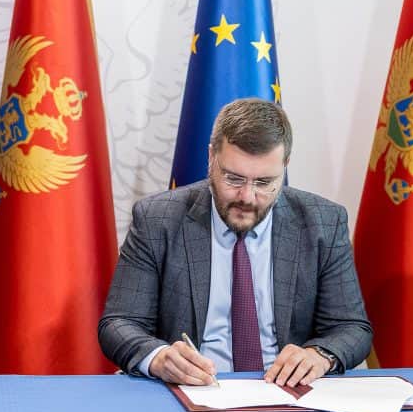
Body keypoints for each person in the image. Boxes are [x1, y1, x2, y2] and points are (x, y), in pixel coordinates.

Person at [99, 98, 372, 388]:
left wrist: (319, 355)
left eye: (264, 182)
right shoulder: (158, 219)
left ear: (285, 166)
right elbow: (119, 323)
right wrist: (158, 357)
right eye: (234, 179)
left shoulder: (323, 222)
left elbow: (351, 327)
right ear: (211, 158)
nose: (247, 197)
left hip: (286, 392)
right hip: (193, 390)